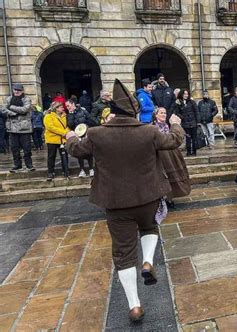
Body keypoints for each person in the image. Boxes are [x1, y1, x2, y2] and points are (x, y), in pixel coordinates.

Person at [65, 79, 184, 322]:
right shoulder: (149, 131)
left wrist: (69, 137)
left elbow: (77, 151)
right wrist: (176, 125)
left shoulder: (97, 134)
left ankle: (135, 306)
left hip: (116, 202)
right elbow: (174, 141)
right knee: (150, 227)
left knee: (123, 252)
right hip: (148, 196)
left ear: (113, 111)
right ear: (134, 110)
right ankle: (149, 261)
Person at [153, 107, 191, 208]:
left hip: (171, 154)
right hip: (161, 156)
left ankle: (170, 198)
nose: (164, 115)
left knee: (172, 176)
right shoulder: (153, 127)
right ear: (156, 115)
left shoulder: (167, 126)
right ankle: (163, 198)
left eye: (165, 113)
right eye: (161, 113)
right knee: (163, 177)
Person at [1, 83, 35, 172]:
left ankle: (29, 165)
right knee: (14, 148)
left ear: (22, 91)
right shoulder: (8, 99)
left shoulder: (26, 99)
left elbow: (24, 110)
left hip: (24, 128)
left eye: (19, 90)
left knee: (27, 148)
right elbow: (3, 109)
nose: (16, 91)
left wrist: (11, 107)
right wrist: (13, 113)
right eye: (15, 90)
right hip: (12, 128)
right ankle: (17, 165)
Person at [65, 99, 94, 178]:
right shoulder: (68, 114)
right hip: (77, 135)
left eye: (68, 105)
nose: (67, 107)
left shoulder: (83, 110)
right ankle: (82, 170)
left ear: (73, 104)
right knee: (79, 152)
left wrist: (86, 126)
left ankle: (91, 169)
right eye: (66, 106)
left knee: (89, 151)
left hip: (85, 133)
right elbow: (70, 125)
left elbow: (90, 119)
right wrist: (71, 114)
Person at [44, 101, 70, 180]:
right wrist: (63, 132)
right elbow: (50, 127)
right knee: (51, 156)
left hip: (62, 139)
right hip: (52, 139)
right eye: (61, 107)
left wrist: (66, 132)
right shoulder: (48, 116)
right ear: (56, 108)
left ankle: (65, 170)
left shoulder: (65, 116)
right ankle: (50, 172)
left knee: (64, 156)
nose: (63, 108)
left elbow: (68, 126)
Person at [172, 89, 200, 156]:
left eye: (187, 94)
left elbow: (196, 111)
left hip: (193, 123)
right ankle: (188, 152)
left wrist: (198, 121)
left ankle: (194, 151)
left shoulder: (192, 102)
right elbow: (177, 112)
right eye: (184, 94)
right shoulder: (178, 103)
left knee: (194, 138)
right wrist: (182, 117)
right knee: (188, 138)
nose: (186, 95)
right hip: (185, 123)